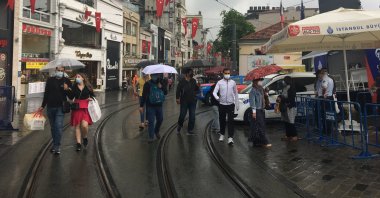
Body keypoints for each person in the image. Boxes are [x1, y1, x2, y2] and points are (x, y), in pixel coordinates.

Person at [38, 66, 72, 155]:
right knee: (53, 127)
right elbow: (46, 93)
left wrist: (67, 89)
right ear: (55, 70)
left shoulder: (67, 81)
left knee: (58, 126)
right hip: (50, 107)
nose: (60, 72)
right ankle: (54, 144)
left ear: (64, 71)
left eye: (62, 70)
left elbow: (71, 96)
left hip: (61, 107)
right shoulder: (50, 80)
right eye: (58, 70)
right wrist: (42, 106)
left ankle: (57, 146)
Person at [67, 73, 95, 151]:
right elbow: (71, 97)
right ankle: (78, 143)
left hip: (85, 107)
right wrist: (68, 90)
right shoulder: (74, 87)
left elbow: (93, 95)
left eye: (78, 77)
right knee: (77, 126)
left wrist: (91, 98)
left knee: (85, 125)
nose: (77, 78)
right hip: (77, 107)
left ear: (83, 78)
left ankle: (85, 137)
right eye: (76, 77)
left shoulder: (88, 87)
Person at [213, 68, 239, 145]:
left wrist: (237, 104)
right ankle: (222, 134)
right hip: (222, 104)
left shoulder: (233, 83)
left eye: (228, 73)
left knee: (231, 121)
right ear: (223, 74)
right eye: (226, 73)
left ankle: (230, 138)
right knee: (222, 120)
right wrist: (218, 99)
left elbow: (236, 93)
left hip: (231, 104)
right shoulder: (219, 83)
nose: (227, 75)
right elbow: (214, 92)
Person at [140, 73, 167, 142]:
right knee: (151, 121)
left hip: (159, 105)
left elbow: (166, 92)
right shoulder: (147, 84)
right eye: (153, 75)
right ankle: (151, 137)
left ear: (158, 75)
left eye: (155, 75)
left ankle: (156, 131)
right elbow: (143, 95)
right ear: (150, 76)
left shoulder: (161, 82)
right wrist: (141, 106)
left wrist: (161, 87)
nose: (154, 76)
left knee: (160, 119)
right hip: (150, 106)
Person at [249, 78, 271, 148]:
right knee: (260, 126)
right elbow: (252, 102)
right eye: (260, 80)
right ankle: (264, 142)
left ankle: (257, 142)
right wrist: (254, 112)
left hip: (261, 110)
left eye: (261, 80)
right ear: (255, 82)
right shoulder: (253, 90)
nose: (261, 82)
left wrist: (266, 92)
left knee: (258, 126)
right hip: (257, 110)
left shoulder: (261, 89)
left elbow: (264, 98)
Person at [176, 68, 199, 135]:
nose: (191, 74)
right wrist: (177, 98)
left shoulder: (193, 81)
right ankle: (179, 125)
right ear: (186, 73)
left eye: (192, 72)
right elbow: (178, 90)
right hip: (184, 101)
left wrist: (198, 87)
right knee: (182, 115)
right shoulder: (182, 81)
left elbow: (196, 89)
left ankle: (190, 130)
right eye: (190, 72)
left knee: (192, 116)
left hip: (192, 101)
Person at [280, 76, 298, 141]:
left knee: (291, 121)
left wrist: (283, 99)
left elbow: (291, 98)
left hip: (290, 107)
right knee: (286, 121)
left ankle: (294, 136)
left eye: (284, 80)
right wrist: (280, 97)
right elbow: (283, 96)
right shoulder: (284, 88)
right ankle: (288, 135)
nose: (283, 82)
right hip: (284, 107)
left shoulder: (291, 88)